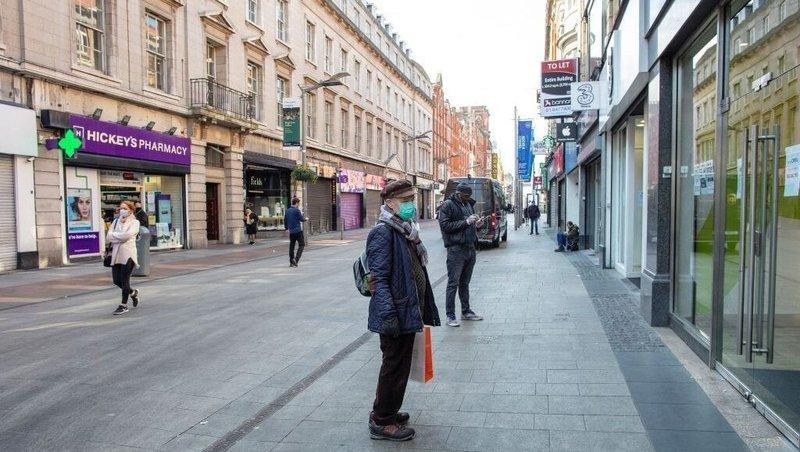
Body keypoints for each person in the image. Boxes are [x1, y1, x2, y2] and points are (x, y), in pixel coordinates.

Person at [366, 179, 440, 442]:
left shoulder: (403, 229)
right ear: (390, 203)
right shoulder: (383, 232)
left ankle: (386, 411)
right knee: (393, 368)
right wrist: (390, 317)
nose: (411, 205)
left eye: (412, 200)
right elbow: (380, 280)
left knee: (398, 368)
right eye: (406, 201)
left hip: (406, 311)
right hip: (394, 316)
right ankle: (382, 421)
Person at [438, 183, 485, 327]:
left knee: (465, 283)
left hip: (470, 248)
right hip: (456, 250)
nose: (467, 198)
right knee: (453, 283)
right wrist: (466, 222)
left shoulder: (468, 205)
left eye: (469, 196)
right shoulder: (448, 205)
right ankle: (450, 316)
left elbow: (469, 225)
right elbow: (445, 226)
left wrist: (477, 225)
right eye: (465, 196)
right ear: (458, 194)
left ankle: (466, 311)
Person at [106, 200, 141, 315]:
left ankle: (123, 305)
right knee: (116, 281)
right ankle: (133, 293)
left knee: (125, 280)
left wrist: (115, 236)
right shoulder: (116, 221)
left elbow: (127, 236)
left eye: (125, 208)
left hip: (128, 255)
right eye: (121, 208)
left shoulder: (135, 223)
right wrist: (118, 237)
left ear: (130, 210)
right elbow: (108, 237)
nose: (122, 210)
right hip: (115, 255)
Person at [284, 198, 306, 267]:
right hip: (298, 231)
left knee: (292, 245)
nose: (298, 205)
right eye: (298, 203)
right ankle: (296, 260)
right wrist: (306, 219)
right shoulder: (297, 210)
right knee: (302, 244)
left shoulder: (287, 211)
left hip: (291, 232)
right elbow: (301, 219)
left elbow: (285, 221)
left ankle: (291, 260)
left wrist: (287, 228)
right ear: (296, 203)